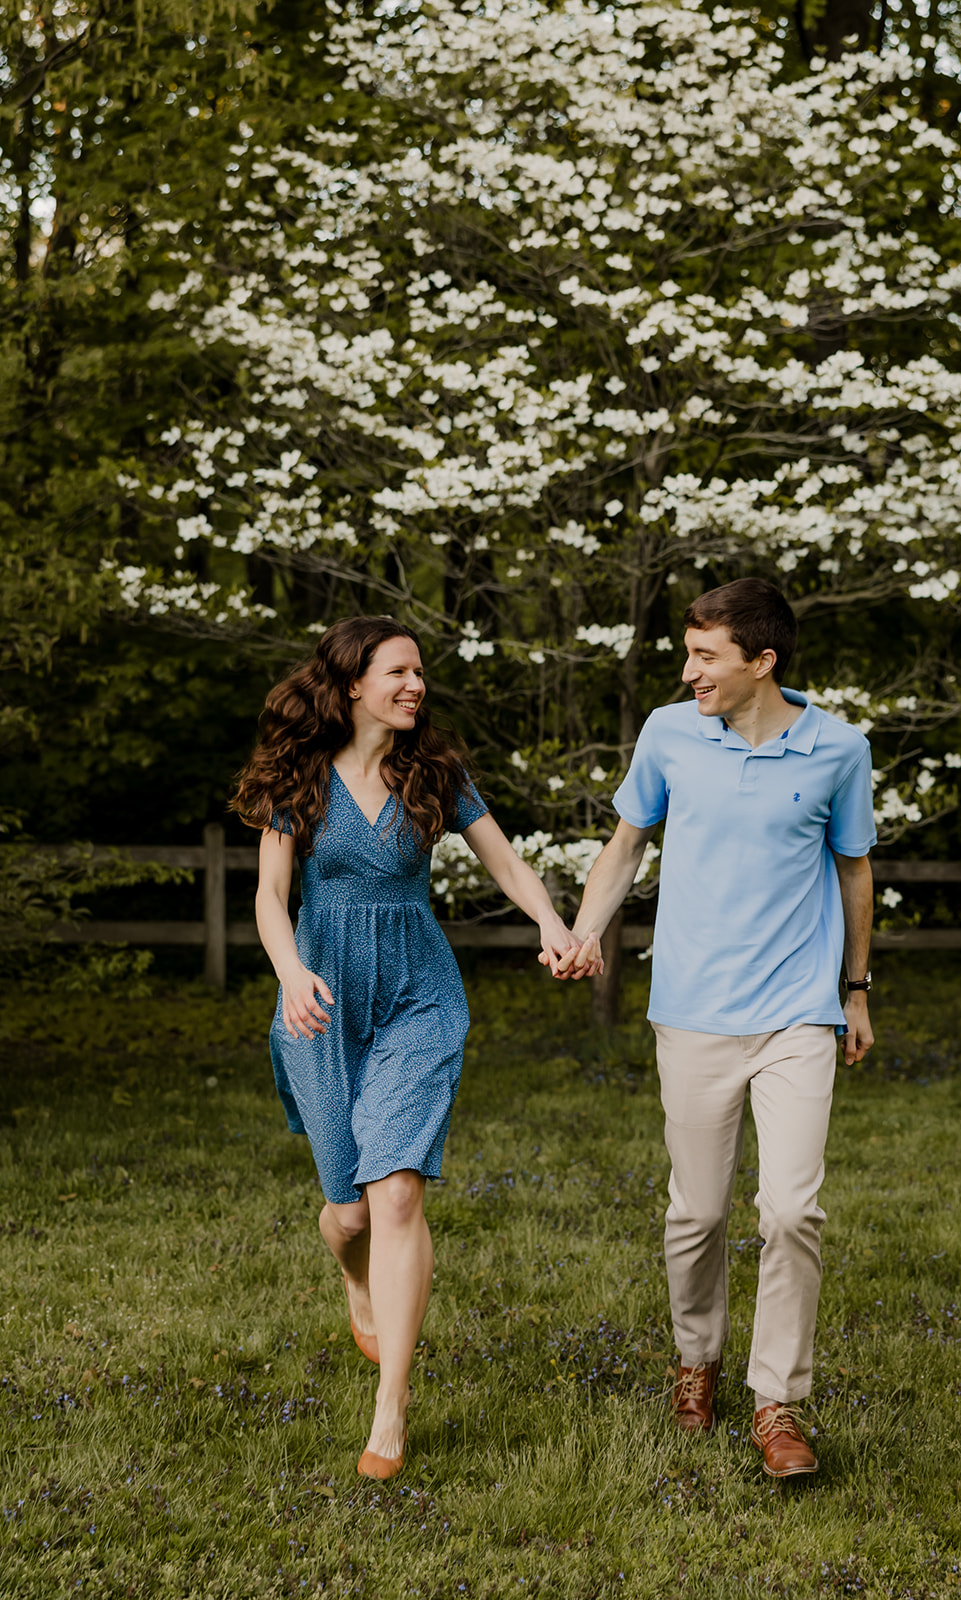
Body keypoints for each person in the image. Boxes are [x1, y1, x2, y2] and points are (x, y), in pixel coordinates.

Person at [234, 616, 581, 1481]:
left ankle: (391, 1407)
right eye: (397, 672)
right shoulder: (298, 775)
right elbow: (272, 898)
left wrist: (550, 920)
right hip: (320, 997)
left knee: (394, 1194)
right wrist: (287, 974)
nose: (414, 685)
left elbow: (503, 860)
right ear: (352, 683)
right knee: (348, 1213)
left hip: (417, 993)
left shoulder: (435, 772)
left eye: (420, 672)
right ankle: (355, 1280)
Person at [560, 578, 875, 1477]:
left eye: (706, 657)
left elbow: (853, 873)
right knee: (695, 1212)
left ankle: (775, 1402)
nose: (689, 672)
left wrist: (854, 989)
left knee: (790, 1210)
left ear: (761, 662)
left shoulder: (837, 750)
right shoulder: (668, 733)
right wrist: (586, 934)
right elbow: (625, 845)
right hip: (693, 1009)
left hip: (796, 1014)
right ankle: (695, 1363)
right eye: (687, 654)